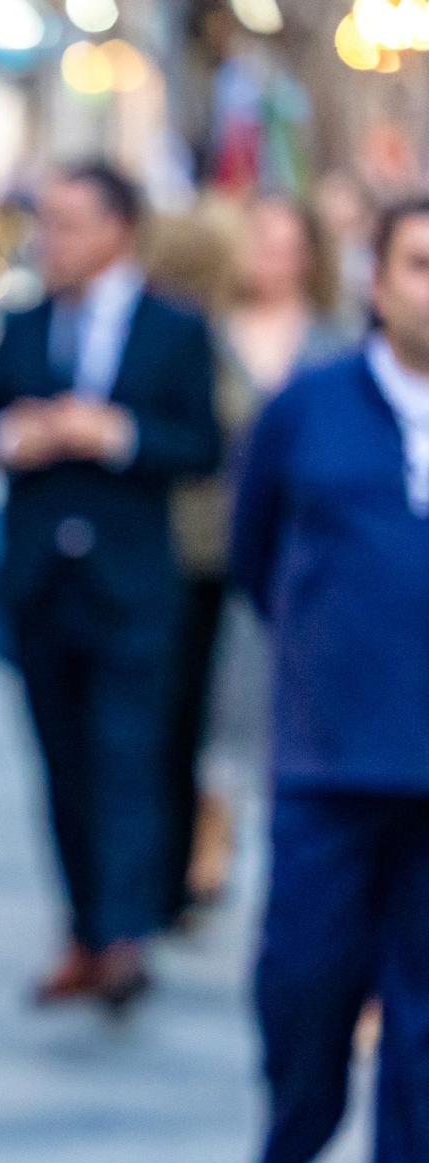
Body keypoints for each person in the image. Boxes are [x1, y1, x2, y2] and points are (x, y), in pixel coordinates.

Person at [232, 197, 429, 1163]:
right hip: (328, 755)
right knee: (303, 978)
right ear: (373, 278)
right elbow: (255, 552)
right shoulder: (306, 408)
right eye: (417, 264)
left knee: (423, 1000)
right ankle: (293, 1125)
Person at [0, 162, 221, 1009]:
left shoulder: (173, 328)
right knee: (62, 760)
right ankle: (81, 925)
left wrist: (114, 433)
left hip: (132, 578)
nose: (53, 241)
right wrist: (20, 435)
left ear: (118, 228)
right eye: (46, 223)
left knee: (128, 755)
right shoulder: (22, 321)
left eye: (70, 223)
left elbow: (200, 444)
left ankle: (124, 932)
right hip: (43, 578)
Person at [162, 196, 357, 923]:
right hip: (215, 537)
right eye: (257, 240)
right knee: (215, 689)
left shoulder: (335, 342)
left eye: (283, 242)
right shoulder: (204, 335)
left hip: (315, 543)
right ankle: (208, 822)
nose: (267, 256)